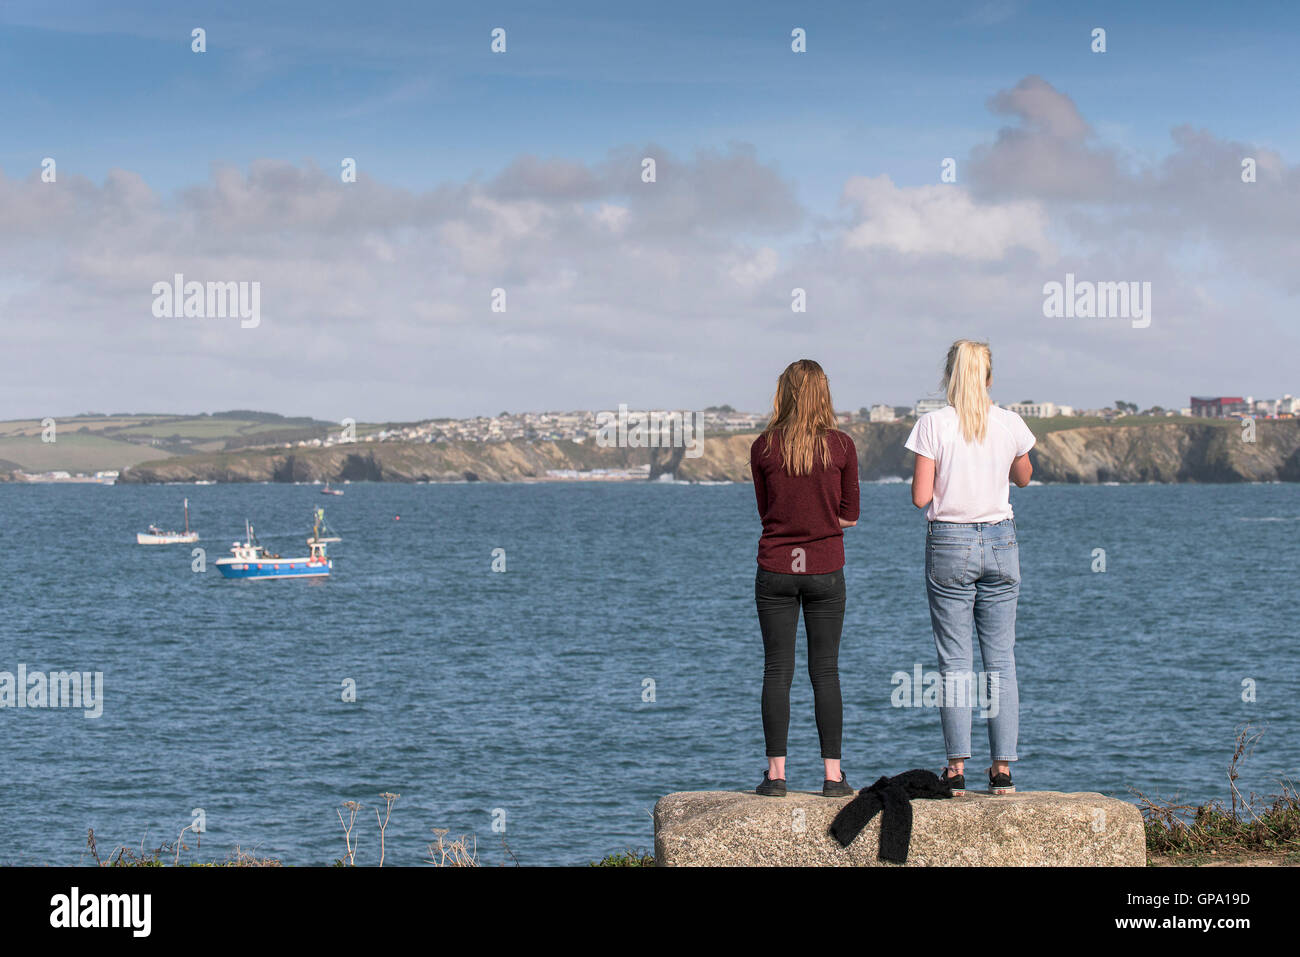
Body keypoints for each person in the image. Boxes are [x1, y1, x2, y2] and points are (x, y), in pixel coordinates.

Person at [905, 340, 1034, 795]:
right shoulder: (1010, 423)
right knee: (1001, 661)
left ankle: (956, 768)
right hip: (1001, 541)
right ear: (989, 378)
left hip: (951, 543)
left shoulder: (933, 424)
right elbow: (1024, 476)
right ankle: (1002, 769)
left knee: (954, 662)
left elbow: (921, 497)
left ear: (949, 378)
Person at [750, 359, 860, 798]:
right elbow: (849, 515)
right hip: (824, 567)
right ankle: (833, 777)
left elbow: (767, 512)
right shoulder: (842, 446)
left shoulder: (763, 447)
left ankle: (776, 775)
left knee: (777, 670)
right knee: (825, 671)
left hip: (776, 566)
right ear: (823, 394)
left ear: (784, 393)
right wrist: (820, 516)